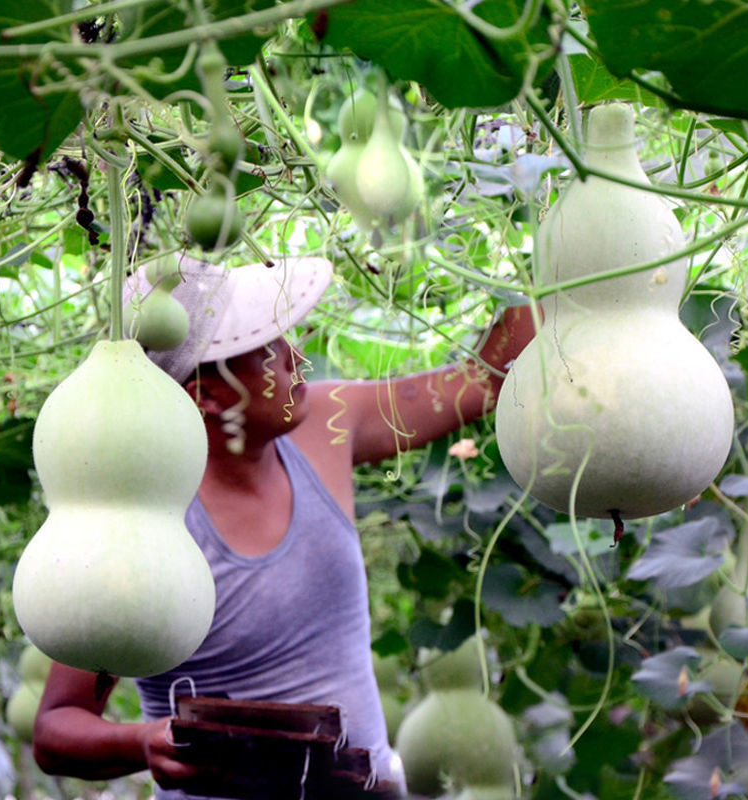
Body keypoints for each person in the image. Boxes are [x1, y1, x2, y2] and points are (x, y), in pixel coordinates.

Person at [30, 252, 536, 799]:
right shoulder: (134, 527)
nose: (297, 358)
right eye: (266, 350)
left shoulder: (331, 422)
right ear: (207, 396)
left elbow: (479, 380)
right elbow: (56, 729)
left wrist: (553, 229)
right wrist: (143, 741)